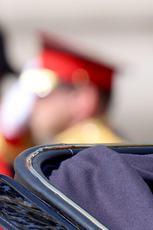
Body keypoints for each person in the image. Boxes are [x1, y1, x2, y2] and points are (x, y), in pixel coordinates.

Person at [0, 31, 123, 162]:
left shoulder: (79, 158)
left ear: (84, 99)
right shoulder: (96, 150)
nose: (32, 103)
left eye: (42, 92)